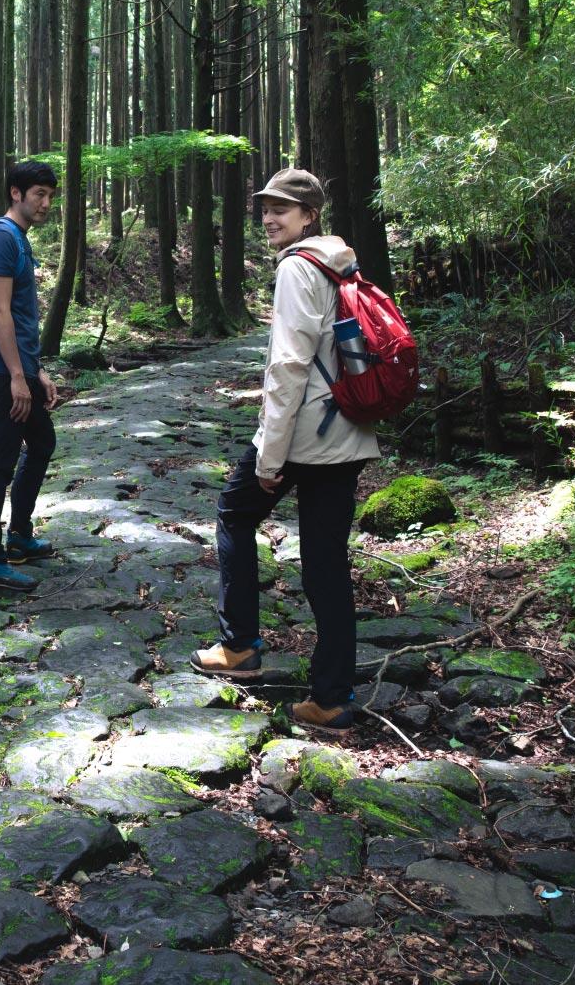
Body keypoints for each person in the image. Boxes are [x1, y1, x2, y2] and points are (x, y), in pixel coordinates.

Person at [188, 167, 380, 731]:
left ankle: (240, 647)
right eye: (266, 208)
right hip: (345, 430)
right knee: (326, 564)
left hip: (304, 434)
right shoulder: (342, 261)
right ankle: (332, 698)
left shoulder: (299, 267)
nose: (269, 217)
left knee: (234, 511)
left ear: (309, 216)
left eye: (282, 209)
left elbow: (289, 366)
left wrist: (269, 459)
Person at [0, 159, 62, 592]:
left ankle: (19, 536)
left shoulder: (19, 239)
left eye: (50, 196)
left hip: (18, 365)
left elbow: (21, 315)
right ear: (16, 194)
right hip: (0, 368)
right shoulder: (3, 238)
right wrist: (16, 378)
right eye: (39, 194)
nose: (46, 203)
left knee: (41, 442)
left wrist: (35, 370)